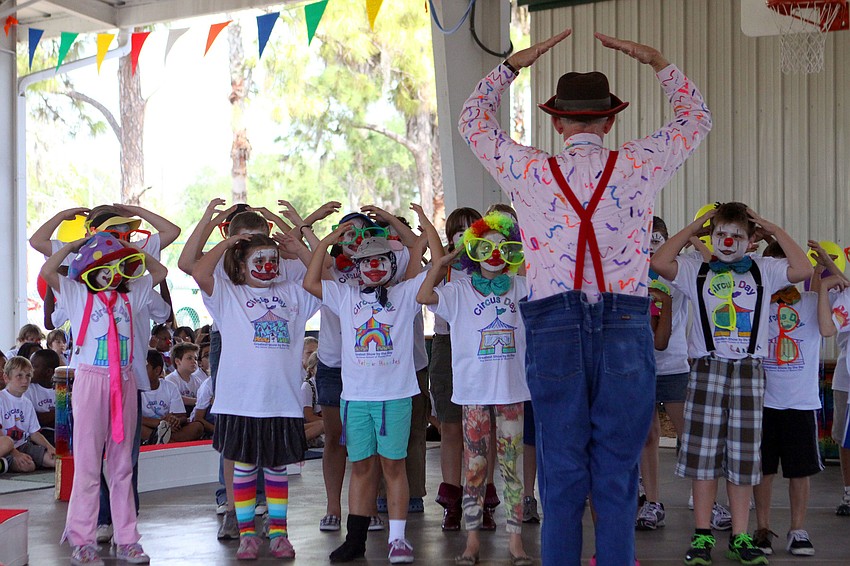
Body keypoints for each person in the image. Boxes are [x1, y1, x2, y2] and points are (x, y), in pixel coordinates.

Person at [460, 26, 711, 566]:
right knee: (617, 477)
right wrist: (658, 59)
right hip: (624, 326)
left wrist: (511, 66)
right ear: (611, 119)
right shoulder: (639, 163)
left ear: (556, 120)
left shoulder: (528, 171)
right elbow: (697, 119)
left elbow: (471, 122)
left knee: (562, 474)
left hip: (553, 328)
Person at [652, 202, 812, 566]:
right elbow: (660, 262)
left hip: (748, 372)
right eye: (720, 234)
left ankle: (740, 535)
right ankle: (703, 533)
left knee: (742, 458)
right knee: (703, 456)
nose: (727, 241)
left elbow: (803, 268)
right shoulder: (696, 269)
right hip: (708, 369)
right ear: (711, 235)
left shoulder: (765, 270)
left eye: (737, 236)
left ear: (750, 240)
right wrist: (695, 227)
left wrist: (772, 228)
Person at [303, 207, 432, 564]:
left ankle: (398, 538)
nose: (373, 267)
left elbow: (430, 263)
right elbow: (310, 283)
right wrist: (328, 242)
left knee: (393, 467)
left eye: (381, 261)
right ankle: (355, 540)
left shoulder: (405, 294)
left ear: (392, 264)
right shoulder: (345, 296)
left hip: (395, 398)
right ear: (356, 267)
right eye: (366, 261)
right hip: (355, 399)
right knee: (360, 467)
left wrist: (403, 224)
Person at [41, 231, 168, 565]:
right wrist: (72, 248)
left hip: (123, 381)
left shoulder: (132, 296)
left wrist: (131, 252)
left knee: (122, 464)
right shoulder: (78, 294)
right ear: (88, 272)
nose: (110, 274)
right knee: (87, 464)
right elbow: (48, 271)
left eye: (116, 267)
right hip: (91, 381)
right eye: (102, 268)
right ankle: (81, 539)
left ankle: (128, 538)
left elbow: (160, 272)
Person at [194, 232, 321, 560]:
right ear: (241, 265)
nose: (267, 267)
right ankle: (247, 534)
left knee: (277, 468)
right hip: (241, 402)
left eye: (272, 261)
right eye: (259, 261)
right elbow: (199, 272)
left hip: (281, 400)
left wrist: (300, 251)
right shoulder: (229, 294)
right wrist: (228, 242)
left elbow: (325, 276)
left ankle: (279, 533)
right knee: (245, 466)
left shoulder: (294, 293)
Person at [417, 211, 533, 565]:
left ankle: (515, 542)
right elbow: (424, 296)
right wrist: (443, 262)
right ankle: (472, 542)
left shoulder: (522, 286)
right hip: (474, 392)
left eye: (503, 247)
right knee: (475, 466)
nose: (495, 254)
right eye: (486, 246)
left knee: (512, 467)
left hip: (512, 392)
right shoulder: (458, 289)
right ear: (474, 249)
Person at [750, 241, 837, 557]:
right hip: (762, 401)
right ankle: (762, 528)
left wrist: (827, 265)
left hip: (801, 403)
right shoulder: (757, 303)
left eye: (786, 267)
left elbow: (846, 291)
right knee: (762, 469)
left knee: (800, 471)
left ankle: (798, 529)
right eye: (772, 268)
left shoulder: (814, 301)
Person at [429, 206, 483, 531]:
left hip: (480, 348)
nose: (464, 237)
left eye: (470, 229)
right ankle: (452, 501)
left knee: (479, 432)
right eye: (457, 231)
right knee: (450, 426)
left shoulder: (492, 263)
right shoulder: (446, 264)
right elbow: (426, 292)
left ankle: (483, 499)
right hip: (447, 345)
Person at [636, 216, 689, 531]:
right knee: (648, 437)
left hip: (674, 364)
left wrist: (692, 236)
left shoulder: (678, 271)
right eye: (647, 238)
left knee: (691, 436)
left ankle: (706, 501)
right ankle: (653, 502)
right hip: (639, 367)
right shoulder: (631, 274)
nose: (652, 244)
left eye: (659, 239)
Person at [0, 356, 57, 474]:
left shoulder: (27, 403)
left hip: (23, 445)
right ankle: (5, 462)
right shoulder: (2, 399)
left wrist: (50, 447)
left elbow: (34, 432)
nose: (25, 380)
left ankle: (5, 464)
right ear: (6, 378)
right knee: (8, 442)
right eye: (19, 376)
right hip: (5, 446)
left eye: (28, 376)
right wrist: (16, 453)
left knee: (54, 461)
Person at [140, 349, 204, 445]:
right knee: (134, 426)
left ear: (157, 370)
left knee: (197, 427)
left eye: (143, 368)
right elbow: (135, 418)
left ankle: (161, 441)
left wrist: (175, 421)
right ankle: (168, 442)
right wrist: (161, 423)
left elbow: (182, 416)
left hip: (169, 430)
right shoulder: (134, 389)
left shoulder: (169, 386)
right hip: (150, 428)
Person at [23, 348, 60, 444]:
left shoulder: (62, 388)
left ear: (48, 372)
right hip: (39, 437)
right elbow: (33, 420)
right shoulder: (28, 388)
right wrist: (59, 412)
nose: (28, 370)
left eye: (33, 367)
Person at [163, 342, 206, 409]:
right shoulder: (170, 380)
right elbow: (177, 399)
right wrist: (198, 401)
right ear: (177, 361)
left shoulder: (197, 381)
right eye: (189, 358)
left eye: (195, 358)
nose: (194, 361)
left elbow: (203, 396)